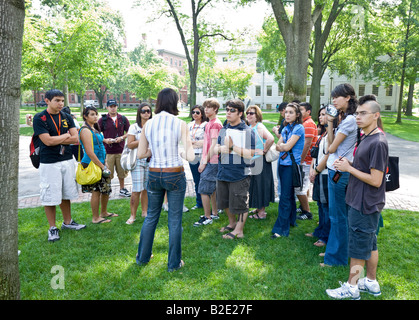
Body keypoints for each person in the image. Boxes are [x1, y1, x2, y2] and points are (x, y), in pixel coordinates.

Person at [326, 95, 388, 300]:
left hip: (365, 203)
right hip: (361, 200)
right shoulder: (367, 137)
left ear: (375, 115)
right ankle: (370, 282)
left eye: (363, 113)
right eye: (357, 113)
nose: (358, 117)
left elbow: (376, 179)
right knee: (370, 243)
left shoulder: (377, 141)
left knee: (358, 247)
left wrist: (348, 168)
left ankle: (352, 288)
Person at [135, 88, 195, 272]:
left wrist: (155, 151)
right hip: (174, 172)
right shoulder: (181, 124)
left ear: (158, 102)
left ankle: (143, 257)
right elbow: (191, 156)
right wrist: (182, 152)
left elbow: (140, 154)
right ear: (175, 102)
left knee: (151, 216)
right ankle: (173, 263)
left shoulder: (148, 124)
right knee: (174, 219)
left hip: (154, 172)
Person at [32, 89, 86, 242]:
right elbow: (47, 141)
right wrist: (64, 137)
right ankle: (52, 227)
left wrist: (59, 138)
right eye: (57, 100)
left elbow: (75, 138)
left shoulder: (66, 116)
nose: (61, 104)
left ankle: (68, 222)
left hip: (67, 159)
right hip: (49, 162)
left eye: (62, 100)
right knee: (50, 195)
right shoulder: (39, 118)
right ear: (47, 100)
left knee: (66, 192)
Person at [321, 83, 359, 267]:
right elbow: (330, 142)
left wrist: (332, 127)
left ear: (348, 98)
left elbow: (331, 148)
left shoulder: (350, 120)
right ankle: (335, 251)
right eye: (333, 96)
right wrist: (329, 122)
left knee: (338, 216)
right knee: (337, 215)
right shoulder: (345, 119)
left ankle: (336, 258)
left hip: (339, 172)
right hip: (336, 169)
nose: (334, 100)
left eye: (337, 96)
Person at [215, 99, 256, 239]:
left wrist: (232, 147)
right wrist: (221, 148)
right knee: (224, 201)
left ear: (240, 113)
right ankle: (232, 223)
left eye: (232, 110)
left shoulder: (247, 131)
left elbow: (250, 154)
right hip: (223, 171)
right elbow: (216, 148)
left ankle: (239, 230)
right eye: (227, 109)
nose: (228, 112)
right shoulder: (224, 129)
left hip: (239, 173)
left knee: (240, 203)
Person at [271, 102, 305, 238]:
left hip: (291, 166)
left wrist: (282, 146)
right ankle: (291, 220)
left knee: (284, 197)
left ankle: (281, 228)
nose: (288, 115)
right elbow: (279, 145)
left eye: (291, 112)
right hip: (282, 164)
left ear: (297, 115)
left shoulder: (299, 128)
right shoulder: (286, 128)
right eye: (286, 112)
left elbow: (285, 147)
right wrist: (282, 145)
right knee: (289, 195)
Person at [79, 106, 118, 224]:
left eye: (96, 114)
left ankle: (104, 212)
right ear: (85, 116)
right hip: (92, 163)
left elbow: (100, 145)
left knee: (105, 189)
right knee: (96, 191)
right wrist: (102, 166)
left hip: (101, 162)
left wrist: (105, 162)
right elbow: (90, 152)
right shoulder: (85, 130)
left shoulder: (94, 128)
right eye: (92, 114)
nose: (95, 116)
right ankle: (95, 218)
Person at [193, 98, 223, 226]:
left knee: (203, 189)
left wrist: (204, 162)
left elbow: (215, 145)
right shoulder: (210, 122)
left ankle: (207, 217)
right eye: (205, 107)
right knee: (212, 189)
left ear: (215, 109)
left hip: (212, 160)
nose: (206, 109)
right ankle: (214, 213)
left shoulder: (215, 123)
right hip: (210, 160)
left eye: (209, 107)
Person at [246, 105, 275, 220]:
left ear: (257, 115)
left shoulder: (259, 126)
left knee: (261, 185)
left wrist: (264, 150)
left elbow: (271, 138)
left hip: (260, 161)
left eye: (251, 113)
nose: (248, 115)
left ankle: (262, 213)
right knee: (255, 185)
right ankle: (258, 208)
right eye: (247, 113)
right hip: (253, 160)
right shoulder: (250, 126)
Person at [307, 105, 330, 247]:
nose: (321, 117)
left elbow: (328, 157)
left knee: (326, 206)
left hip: (325, 174)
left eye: (324, 114)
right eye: (320, 114)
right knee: (320, 205)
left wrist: (316, 171)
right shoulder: (323, 134)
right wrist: (312, 169)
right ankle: (319, 230)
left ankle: (325, 236)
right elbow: (316, 155)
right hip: (318, 173)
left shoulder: (332, 135)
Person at [98, 99, 131, 197]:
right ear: (107, 107)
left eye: (114, 106)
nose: (113, 108)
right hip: (108, 150)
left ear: (117, 107)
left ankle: (122, 189)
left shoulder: (123, 118)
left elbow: (130, 132)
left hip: (120, 149)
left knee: (122, 172)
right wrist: (105, 140)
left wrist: (122, 137)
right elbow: (96, 133)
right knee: (108, 172)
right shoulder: (103, 120)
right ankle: (108, 189)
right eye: (110, 106)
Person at [125, 103, 152, 224]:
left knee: (146, 188)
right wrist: (143, 138)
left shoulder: (153, 126)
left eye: (148, 111)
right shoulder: (134, 127)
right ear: (139, 113)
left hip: (151, 160)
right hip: (137, 160)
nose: (146, 113)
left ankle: (145, 212)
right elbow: (130, 144)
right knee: (136, 189)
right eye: (143, 111)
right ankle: (132, 215)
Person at [296, 102, 318, 220]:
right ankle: (302, 207)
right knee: (303, 186)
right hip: (305, 160)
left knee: (300, 187)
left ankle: (307, 212)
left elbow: (307, 143)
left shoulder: (308, 124)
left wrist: (301, 160)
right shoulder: (305, 123)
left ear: (308, 112)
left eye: (302, 110)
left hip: (306, 161)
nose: (299, 113)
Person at [188, 105, 208, 210]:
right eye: (193, 112)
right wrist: (196, 143)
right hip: (192, 155)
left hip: (203, 155)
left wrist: (195, 143)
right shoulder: (189, 125)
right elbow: (186, 140)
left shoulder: (206, 125)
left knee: (205, 179)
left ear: (202, 114)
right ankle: (199, 202)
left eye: (197, 112)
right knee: (196, 180)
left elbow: (206, 142)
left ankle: (209, 202)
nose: (195, 114)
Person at [272, 101, 288, 200]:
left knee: (283, 180)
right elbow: (279, 144)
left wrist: (275, 131)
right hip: (284, 156)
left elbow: (282, 140)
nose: (285, 115)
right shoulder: (285, 124)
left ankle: (281, 195)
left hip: (287, 157)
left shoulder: (297, 127)